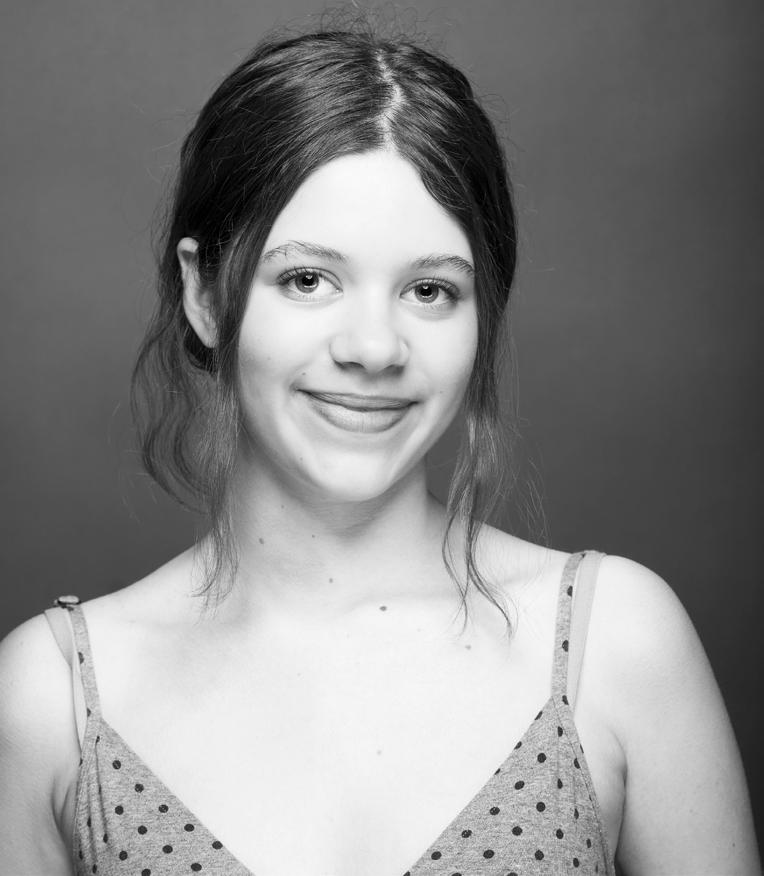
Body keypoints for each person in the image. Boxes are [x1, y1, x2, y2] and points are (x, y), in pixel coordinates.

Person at [0, 25, 759, 876]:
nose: (373, 347)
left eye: (429, 290)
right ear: (205, 294)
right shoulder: (50, 699)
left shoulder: (616, 642)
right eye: (308, 280)